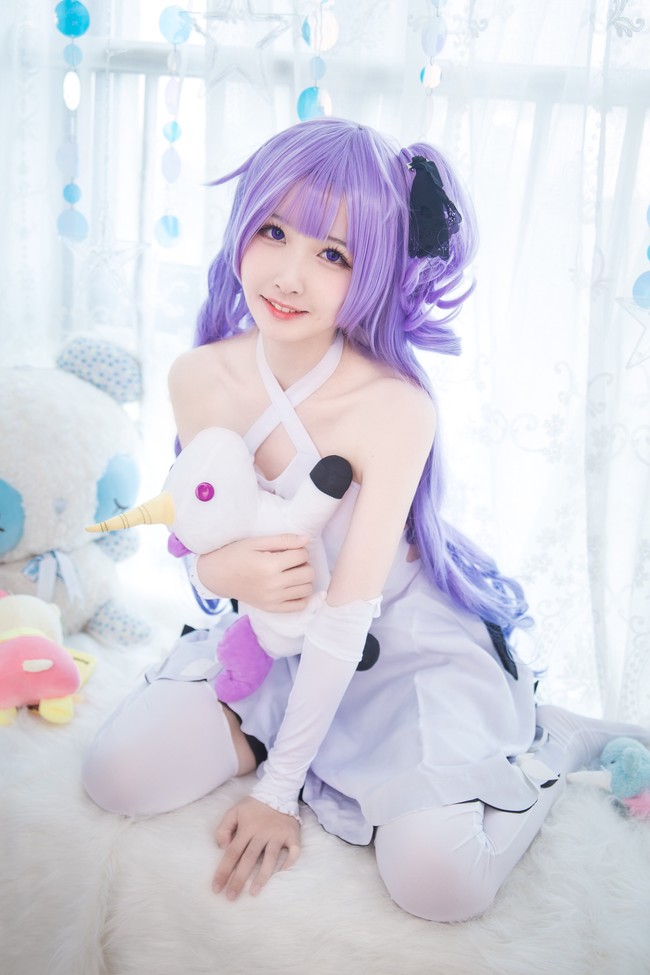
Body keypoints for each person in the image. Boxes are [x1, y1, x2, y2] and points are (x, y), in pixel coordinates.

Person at [83, 117, 647, 922]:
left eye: (334, 255)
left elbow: (348, 612)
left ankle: (550, 738)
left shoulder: (394, 406)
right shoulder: (199, 377)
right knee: (116, 775)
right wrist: (215, 570)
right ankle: (278, 733)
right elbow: (201, 519)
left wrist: (277, 794)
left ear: (376, 269)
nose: (289, 275)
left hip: (402, 648)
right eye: (273, 231)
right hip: (277, 637)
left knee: (440, 885)